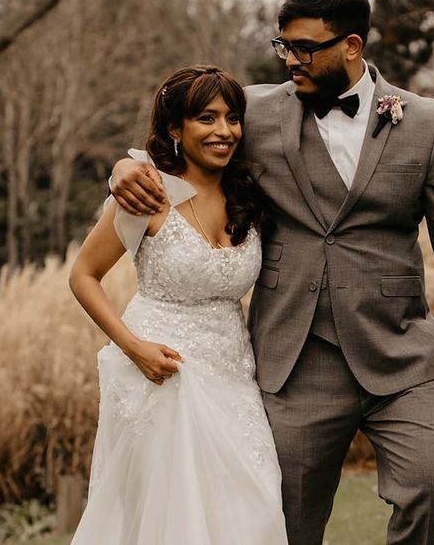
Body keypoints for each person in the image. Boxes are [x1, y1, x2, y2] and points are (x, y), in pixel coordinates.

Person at [111, 0, 434, 545]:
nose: (290, 58)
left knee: (431, 486)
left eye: (304, 47)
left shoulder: (424, 122)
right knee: (284, 522)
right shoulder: (257, 113)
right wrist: (123, 169)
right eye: (283, 47)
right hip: (296, 358)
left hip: (401, 355)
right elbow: (184, 145)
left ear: (351, 46)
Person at [69, 65, 288, 544]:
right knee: (175, 518)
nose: (224, 131)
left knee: (255, 509)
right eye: (206, 118)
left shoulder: (248, 194)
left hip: (234, 373)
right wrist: (133, 348)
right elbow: (83, 275)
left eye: (232, 118)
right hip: (159, 373)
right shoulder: (145, 193)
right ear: (175, 128)